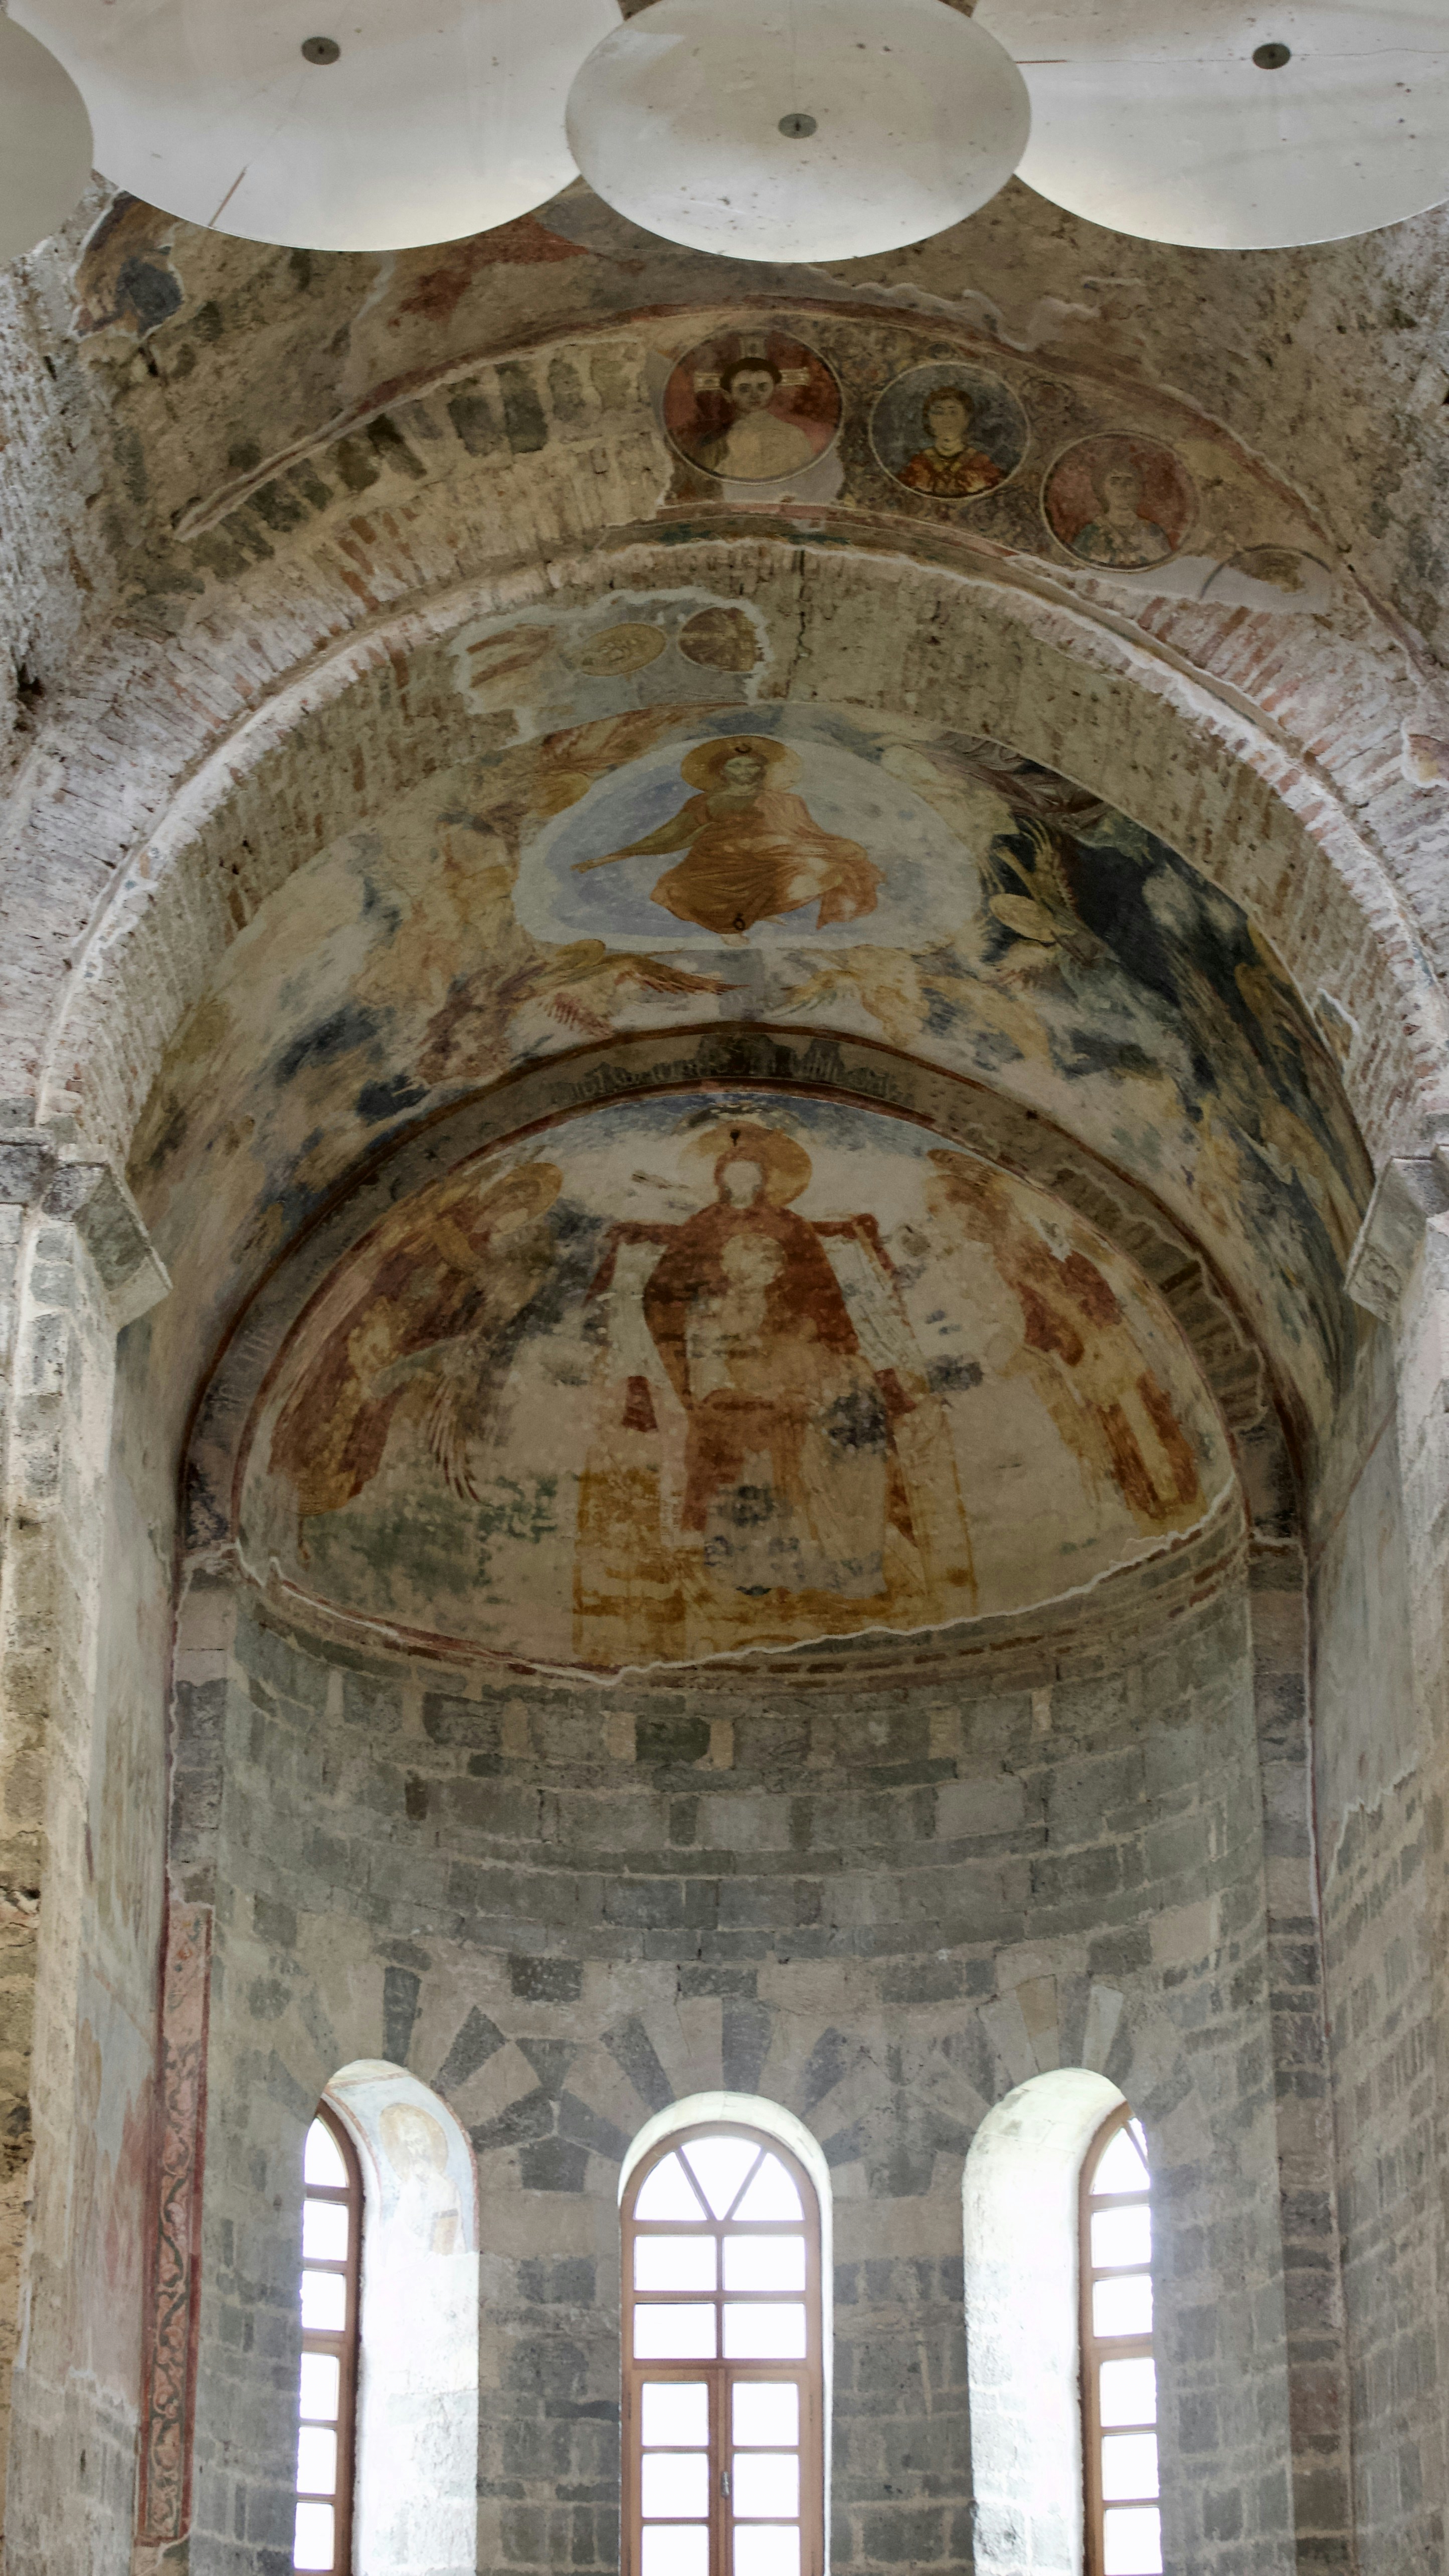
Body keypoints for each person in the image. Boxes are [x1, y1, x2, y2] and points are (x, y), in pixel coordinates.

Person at [571, 735, 882, 936]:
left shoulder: (789, 801)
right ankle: (734, 923)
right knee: (677, 887)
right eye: (738, 766)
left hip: (776, 854)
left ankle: (756, 911)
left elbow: (807, 833)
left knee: (824, 867)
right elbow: (669, 835)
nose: (746, 772)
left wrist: (838, 846)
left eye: (753, 766)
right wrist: (605, 859)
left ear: (763, 771)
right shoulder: (704, 802)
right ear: (723, 771)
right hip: (715, 859)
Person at [693, 354, 820, 481]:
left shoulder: (794, 436)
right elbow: (704, 482)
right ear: (727, 395)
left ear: (775, 390)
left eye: (763, 387)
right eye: (744, 389)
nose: (755, 395)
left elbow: (805, 479)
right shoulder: (713, 441)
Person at [895, 385, 1004, 498]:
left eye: (953, 412)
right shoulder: (917, 466)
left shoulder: (983, 466)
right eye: (939, 412)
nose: (947, 419)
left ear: (967, 419)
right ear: (929, 419)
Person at [1067, 452, 1174, 568]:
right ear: (1101, 490)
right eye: (1114, 482)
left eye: (1129, 481)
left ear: (1139, 489)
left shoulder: (1154, 532)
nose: (1122, 487)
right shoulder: (1090, 534)